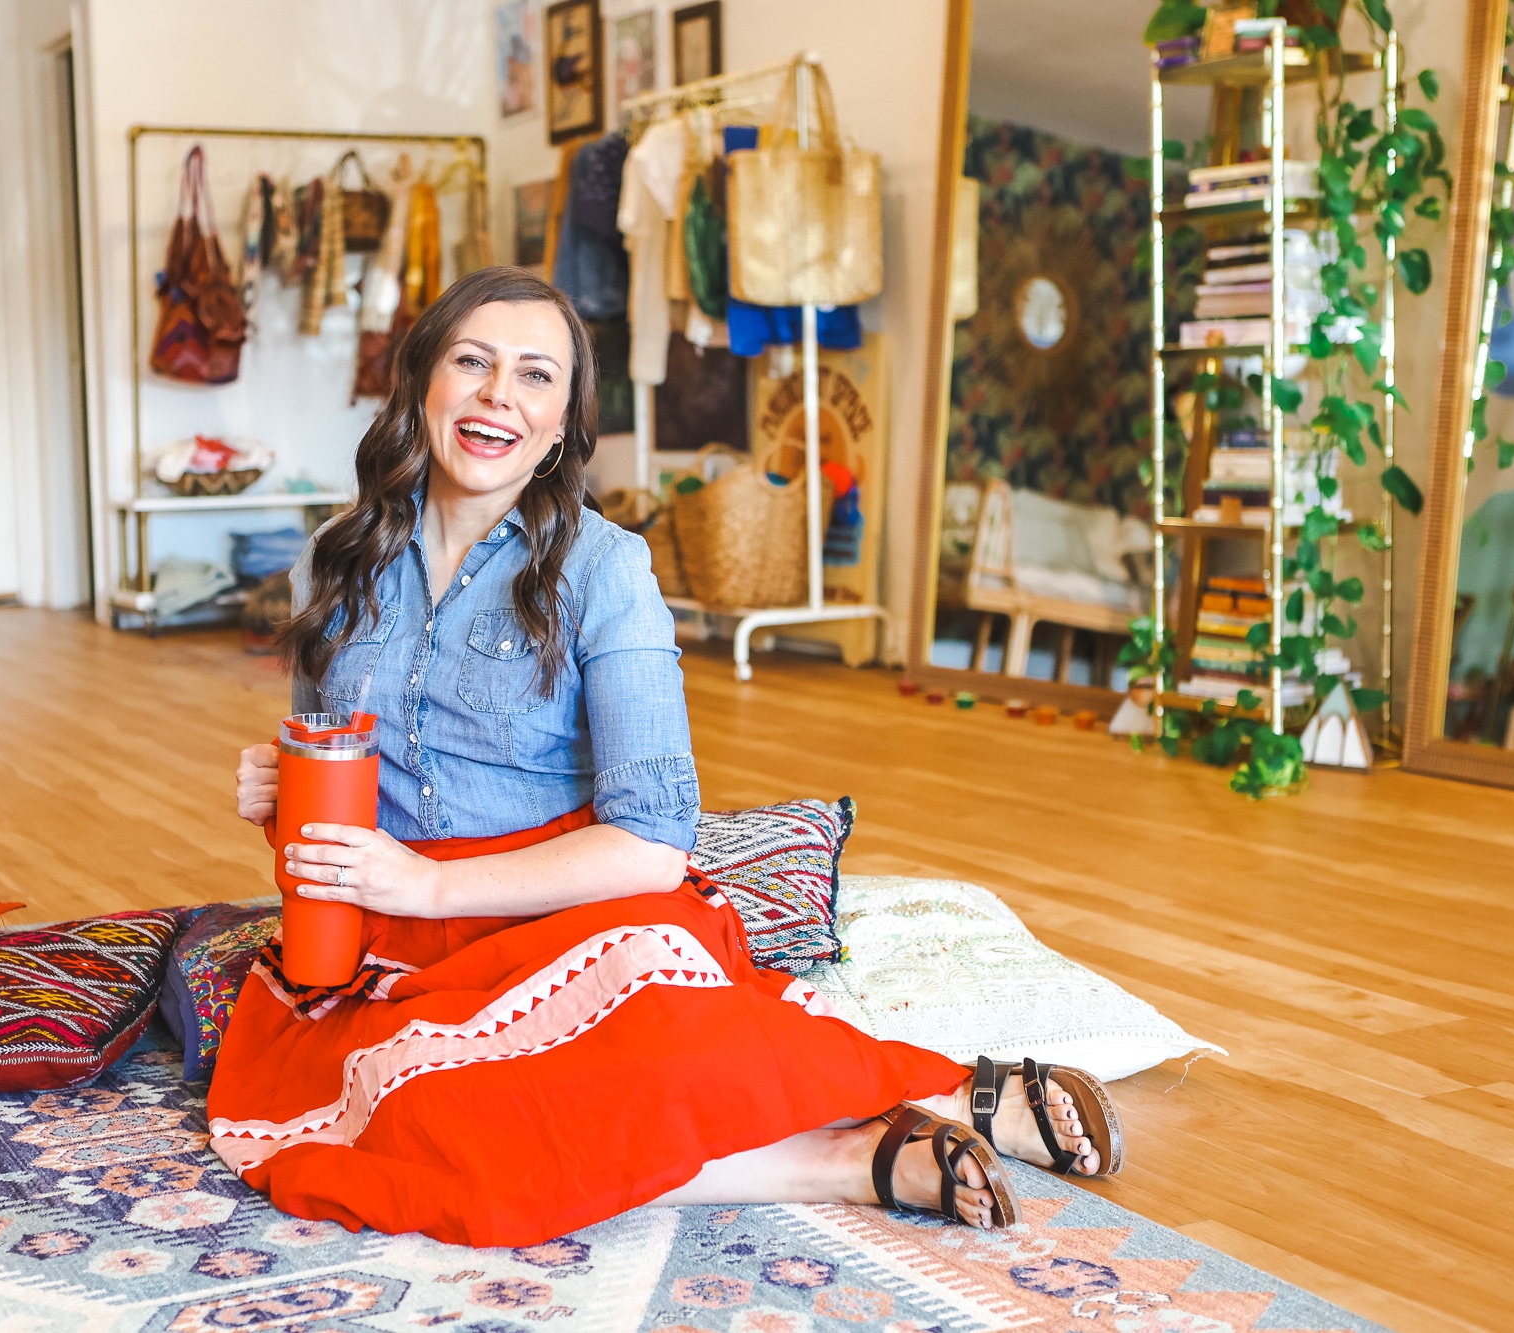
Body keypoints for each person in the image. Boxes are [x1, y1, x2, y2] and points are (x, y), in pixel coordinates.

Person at [214, 265, 1122, 1248]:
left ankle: (946, 1094)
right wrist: (279, 785)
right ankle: (852, 1161)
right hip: (390, 945)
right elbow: (336, 769)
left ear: (560, 424)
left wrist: (433, 888)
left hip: (566, 911)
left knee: (657, 1053)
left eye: (533, 377)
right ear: (421, 383)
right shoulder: (332, 560)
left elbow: (650, 845)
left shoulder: (605, 570)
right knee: (429, 1122)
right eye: (471, 363)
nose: (495, 397)